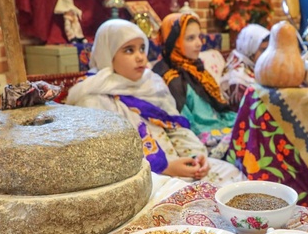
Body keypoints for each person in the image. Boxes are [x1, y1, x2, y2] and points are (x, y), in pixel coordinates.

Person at [66, 19, 242, 185]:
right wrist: (166, 168)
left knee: (234, 175)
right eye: (129, 50)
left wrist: (197, 156)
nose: (140, 57)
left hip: (180, 164)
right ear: (107, 53)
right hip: (144, 178)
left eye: (142, 48)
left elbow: (176, 128)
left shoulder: (151, 83)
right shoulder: (92, 97)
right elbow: (108, 159)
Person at [153, 13, 237, 135]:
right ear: (173, 41)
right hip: (201, 138)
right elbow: (187, 127)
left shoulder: (195, 68)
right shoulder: (171, 78)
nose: (199, 43)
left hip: (220, 126)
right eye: (190, 38)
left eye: (199, 37)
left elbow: (219, 112)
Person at [220, 23, 270, 111]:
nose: (267, 54)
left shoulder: (256, 67)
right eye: (263, 50)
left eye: (269, 49)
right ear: (250, 50)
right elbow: (243, 112)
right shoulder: (238, 77)